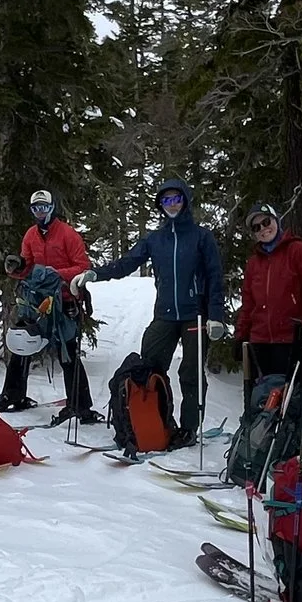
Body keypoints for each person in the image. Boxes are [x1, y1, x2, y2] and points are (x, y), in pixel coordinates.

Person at [78, 176, 227, 448]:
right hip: (165, 315)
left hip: (195, 314)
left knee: (191, 374)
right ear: (161, 205)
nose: (172, 204)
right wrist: (95, 273)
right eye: (166, 200)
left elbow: (216, 277)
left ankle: (189, 429)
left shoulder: (201, 237)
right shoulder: (155, 239)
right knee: (148, 366)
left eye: (176, 198)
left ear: (185, 200)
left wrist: (216, 316)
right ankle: (153, 420)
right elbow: (127, 263)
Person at [0, 190, 97, 420]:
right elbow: (28, 267)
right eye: (36, 208)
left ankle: (80, 405)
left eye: (44, 207)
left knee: (67, 351)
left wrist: (56, 274)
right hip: (37, 301)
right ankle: (13, 395)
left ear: (52, 207)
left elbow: (83, 266)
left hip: (64, 299)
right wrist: (17, 267)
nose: (40, 212)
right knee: (22, 343)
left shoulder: (68, 234)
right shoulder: (31, 235)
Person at [233, 200, 302, 400]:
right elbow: (248, 303)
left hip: (291, 338)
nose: (263, 229)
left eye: (266, 222)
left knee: (291, 398)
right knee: (263, 397)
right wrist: (241, 334)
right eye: (256, 227)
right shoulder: (254, 263)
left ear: (276, 220)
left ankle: (299, 431)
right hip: (260, 341)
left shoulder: (299, 251)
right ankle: (261, 430)